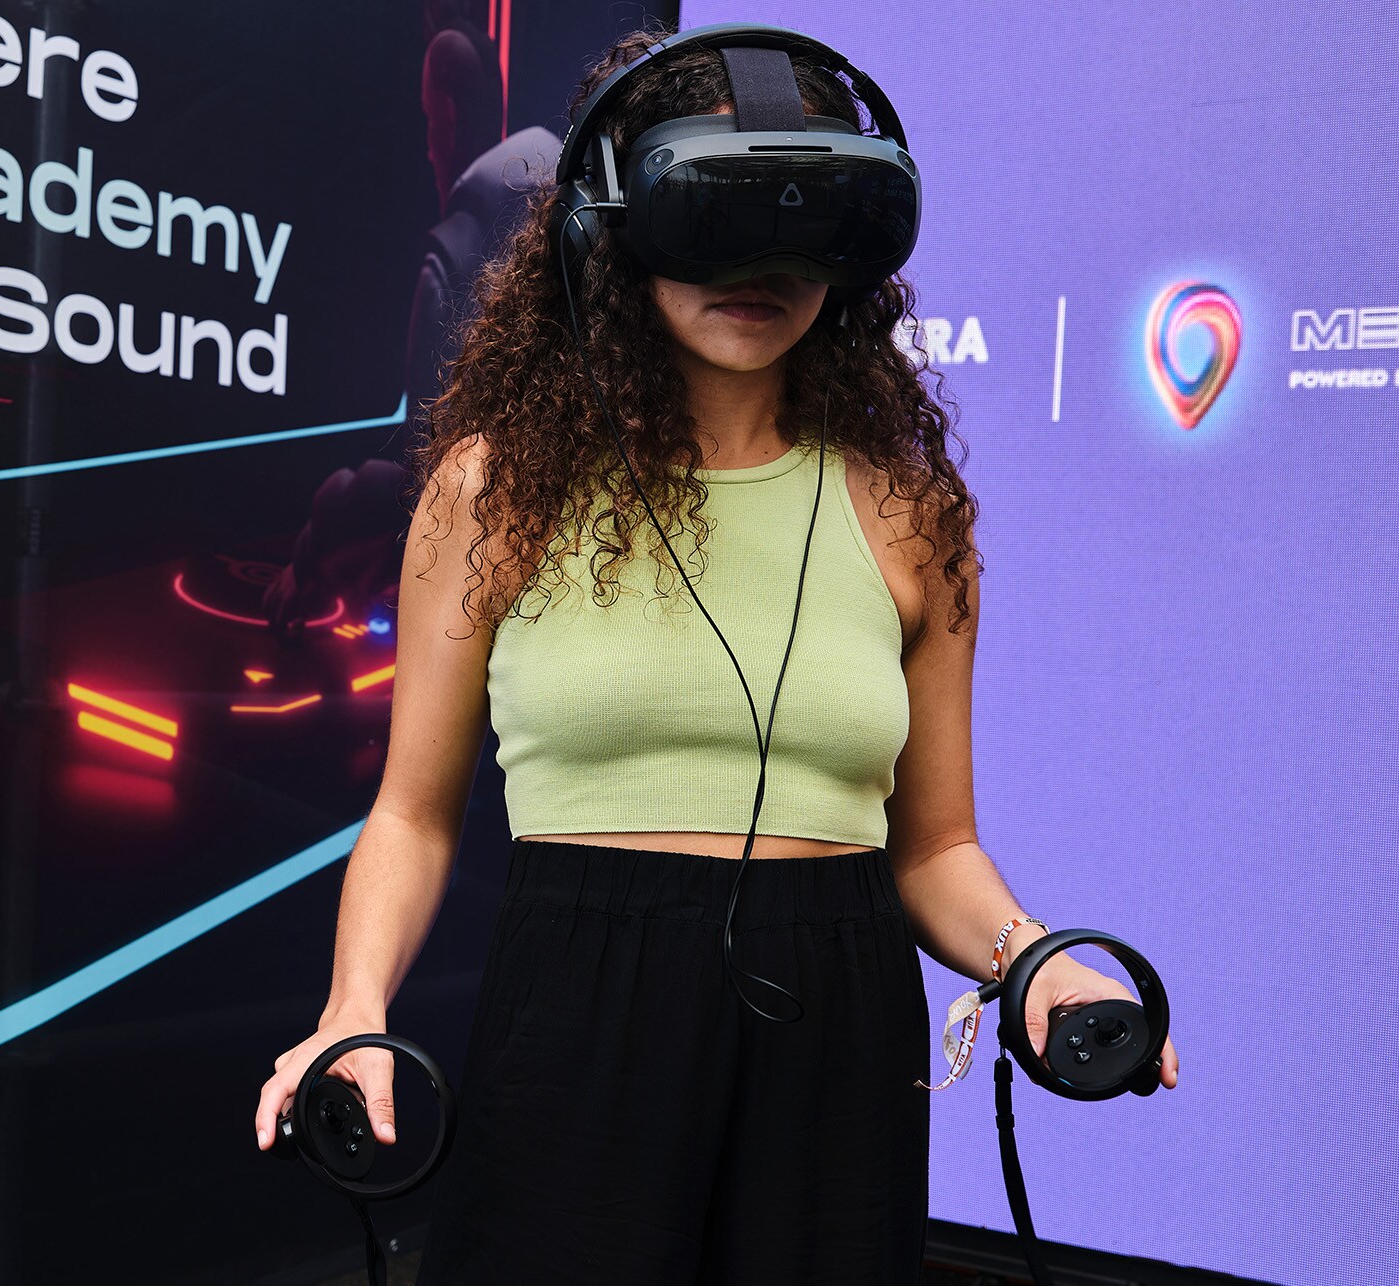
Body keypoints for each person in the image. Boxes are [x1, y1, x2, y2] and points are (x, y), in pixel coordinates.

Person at [255, 22, 1180, 1284]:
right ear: (605, 226)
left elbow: (936, 846)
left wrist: (1034, 959)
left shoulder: (915, 517)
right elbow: (412, 816)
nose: (763, 264)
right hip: (578, 1006)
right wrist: (349, 1013)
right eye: (717, 213)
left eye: (806, 219)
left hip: (836, 1019)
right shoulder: (494, 491)